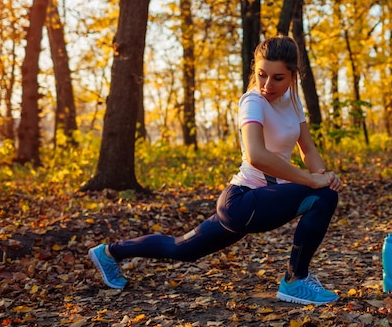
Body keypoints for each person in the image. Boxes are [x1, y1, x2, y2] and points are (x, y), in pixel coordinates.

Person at [88, 35, 343, 306]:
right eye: (261, 75)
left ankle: (109, 252)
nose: (267, 85)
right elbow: (257, 155)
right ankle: (295, 280)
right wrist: (311, 181)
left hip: (266, 199)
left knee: (181, 249)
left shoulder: (293, 100)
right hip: (242, 201)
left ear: (293, 76)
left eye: (277, 78)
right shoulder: (252, 101)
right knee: (323, 196)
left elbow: (308, 149)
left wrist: (322, 174)